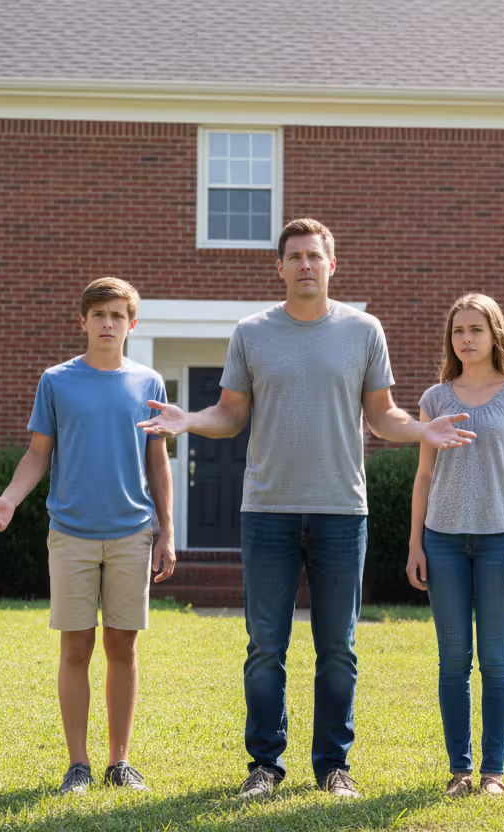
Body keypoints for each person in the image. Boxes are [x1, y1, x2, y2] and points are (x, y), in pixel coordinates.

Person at [138, 218, 475, 799]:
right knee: (265, 645)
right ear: (280, 267)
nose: (304, 265)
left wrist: (423, 428)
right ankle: (265, 766)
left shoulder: (363, 330)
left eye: (314, 256)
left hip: (341, 511)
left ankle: (333, 767)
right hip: (266, 510)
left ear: (331, 265)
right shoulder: (252, 332)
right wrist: (189, 420)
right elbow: (230, 413)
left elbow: (382, 414)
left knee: (338, 646)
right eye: (294, 257)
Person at [0, 277, 176, 796]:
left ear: (132, 324)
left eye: (117, 315)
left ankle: (120, 763)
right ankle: (78, 766)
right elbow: (38, 453)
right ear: (82, 321)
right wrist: (9, 498)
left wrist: (166, 531)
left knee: (123, 649)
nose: (107, 323)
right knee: (74, 649)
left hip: (133, 534)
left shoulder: (149, 383)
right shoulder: (57, 381)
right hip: (71, 535)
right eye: (98, 315)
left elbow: (158, 463)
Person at [405, 292, 504, 798]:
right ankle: (460, 771)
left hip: (500, 539)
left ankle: (493, 774)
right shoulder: (436, 398)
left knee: (495, 659)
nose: (466, 339)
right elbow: (423, 476)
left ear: (494, 334)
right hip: (442, 541)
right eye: (458, 331)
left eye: (476, 330)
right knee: (452, 659)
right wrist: (415, 544)